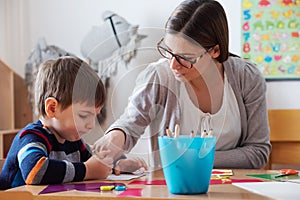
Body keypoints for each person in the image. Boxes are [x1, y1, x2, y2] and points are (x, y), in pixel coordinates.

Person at [94, 0, 271, 169]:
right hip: (174, 189)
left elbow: (258, 151)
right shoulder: (159, 76)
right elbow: (130, 125)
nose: (173, 65)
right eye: (168, 51)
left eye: (185, 58)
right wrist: (113, 139)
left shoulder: (246, 77)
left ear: (215, 51)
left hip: (233, 190)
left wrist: (192, 157)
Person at [1, 56, 113, 190]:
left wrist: (118, 164)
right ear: (52, 108)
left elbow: (96, 159)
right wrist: (87, 170)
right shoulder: (30, 137)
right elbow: (35, 172)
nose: (91, 125)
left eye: (94, 116)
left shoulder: (73, 141)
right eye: (84, 115)